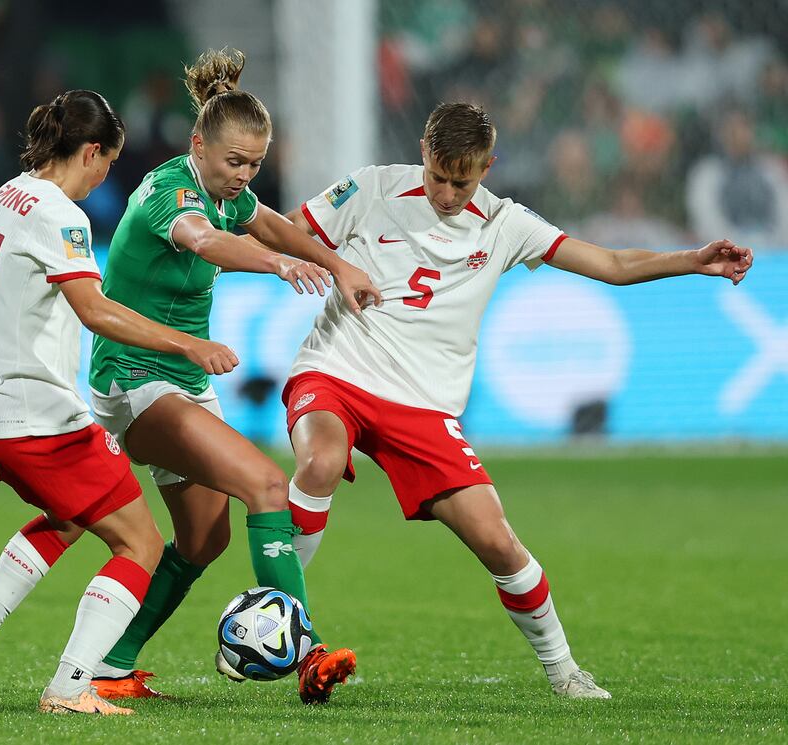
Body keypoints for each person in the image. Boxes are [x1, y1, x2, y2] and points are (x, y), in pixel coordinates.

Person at [279, 102, 753, 700]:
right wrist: (326, 261)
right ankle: (281, 623)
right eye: (439, 176)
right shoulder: (371, 188)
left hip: (423, 404)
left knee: (498, 541)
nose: (449, 193)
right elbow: (286, 230)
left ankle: (565, 672)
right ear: (424, 153)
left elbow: (608, 262)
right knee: (318, 461)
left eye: (464, 180)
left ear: (488, 167)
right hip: (339, 368)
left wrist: (690, 260)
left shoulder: (506, 223)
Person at [31, 49, 380, 706]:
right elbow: (204, 239)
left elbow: (268, 220)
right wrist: (276, 266)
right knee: (268, 484)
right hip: (135, 374)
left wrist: (336, 265)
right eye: (233, 163)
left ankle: (109, 664)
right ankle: (308, 651)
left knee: (204, 538)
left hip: (178, 378)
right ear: (198, 144)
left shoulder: (229, 192)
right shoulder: (172, 193)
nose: (243, 176)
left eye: (254, 164)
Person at [0, 89, 239, 716]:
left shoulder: (5, 196)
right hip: (38, 419)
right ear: (92, 152)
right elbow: (96, 311)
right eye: (107, 163)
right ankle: (71, 688)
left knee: (71, 517)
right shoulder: (60, 216)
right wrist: (188, 345)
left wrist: (8, 356)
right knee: (142, 545)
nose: (105, 178)